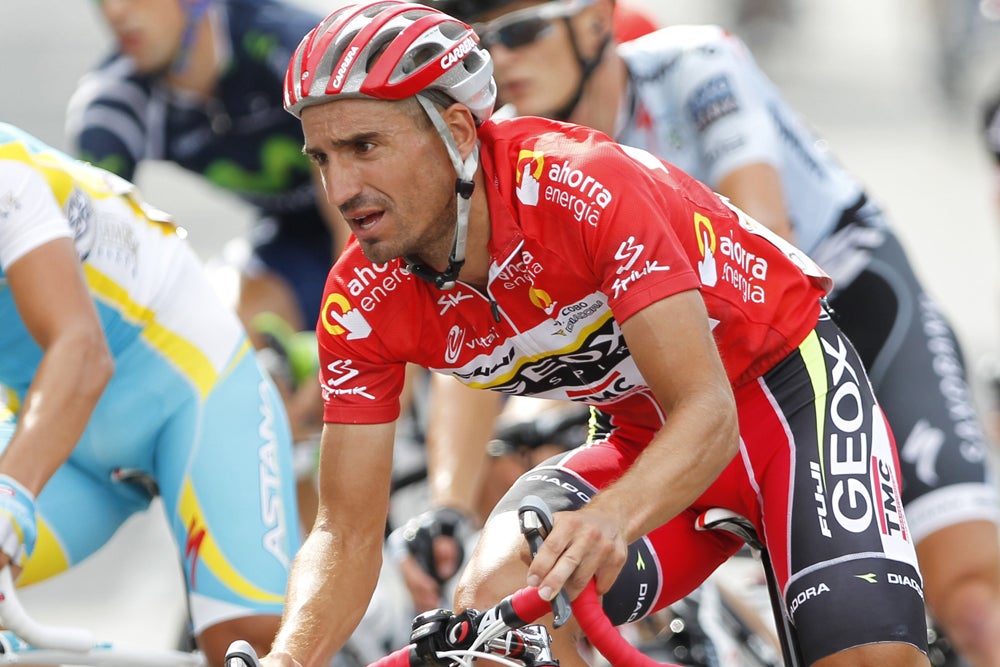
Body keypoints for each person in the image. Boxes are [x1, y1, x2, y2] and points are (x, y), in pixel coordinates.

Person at [235, 2, 932, 666]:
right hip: (641, 433)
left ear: (456, 131)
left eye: (364, 146)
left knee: (865, 656)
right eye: (322, 158)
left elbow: (709, 410)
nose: (341, 188)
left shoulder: (580, 188)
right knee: (496, 606)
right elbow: (345, 531)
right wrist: (289, 656)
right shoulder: (360, 301)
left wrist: (613, 514)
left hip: (790, 402)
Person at [422, 1, 1000, 664]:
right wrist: (450, 504)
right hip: (689, 376)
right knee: (527, 546)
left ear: (593, 23)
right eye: (481, 44)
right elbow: (475, 333)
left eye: (520, 31)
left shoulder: (696, 67)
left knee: (972, 604)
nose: (501, 59)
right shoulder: (496, 156)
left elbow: (766, 235)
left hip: (834, 322)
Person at [0, 122, 300, 666]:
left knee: (246, 644)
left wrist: (10, 493)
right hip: (63, 444)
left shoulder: (5, 171)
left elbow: (82, 351)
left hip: (190, 394)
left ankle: (369, 617)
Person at [66, 0, 347, 531]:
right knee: (233, 342)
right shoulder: (113, 104)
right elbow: (90, 274)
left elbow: (357, 224)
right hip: (290, 244)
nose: (116, 11)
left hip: (383, 230)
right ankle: (301, 542)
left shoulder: (288, 49)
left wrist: (344, 354)